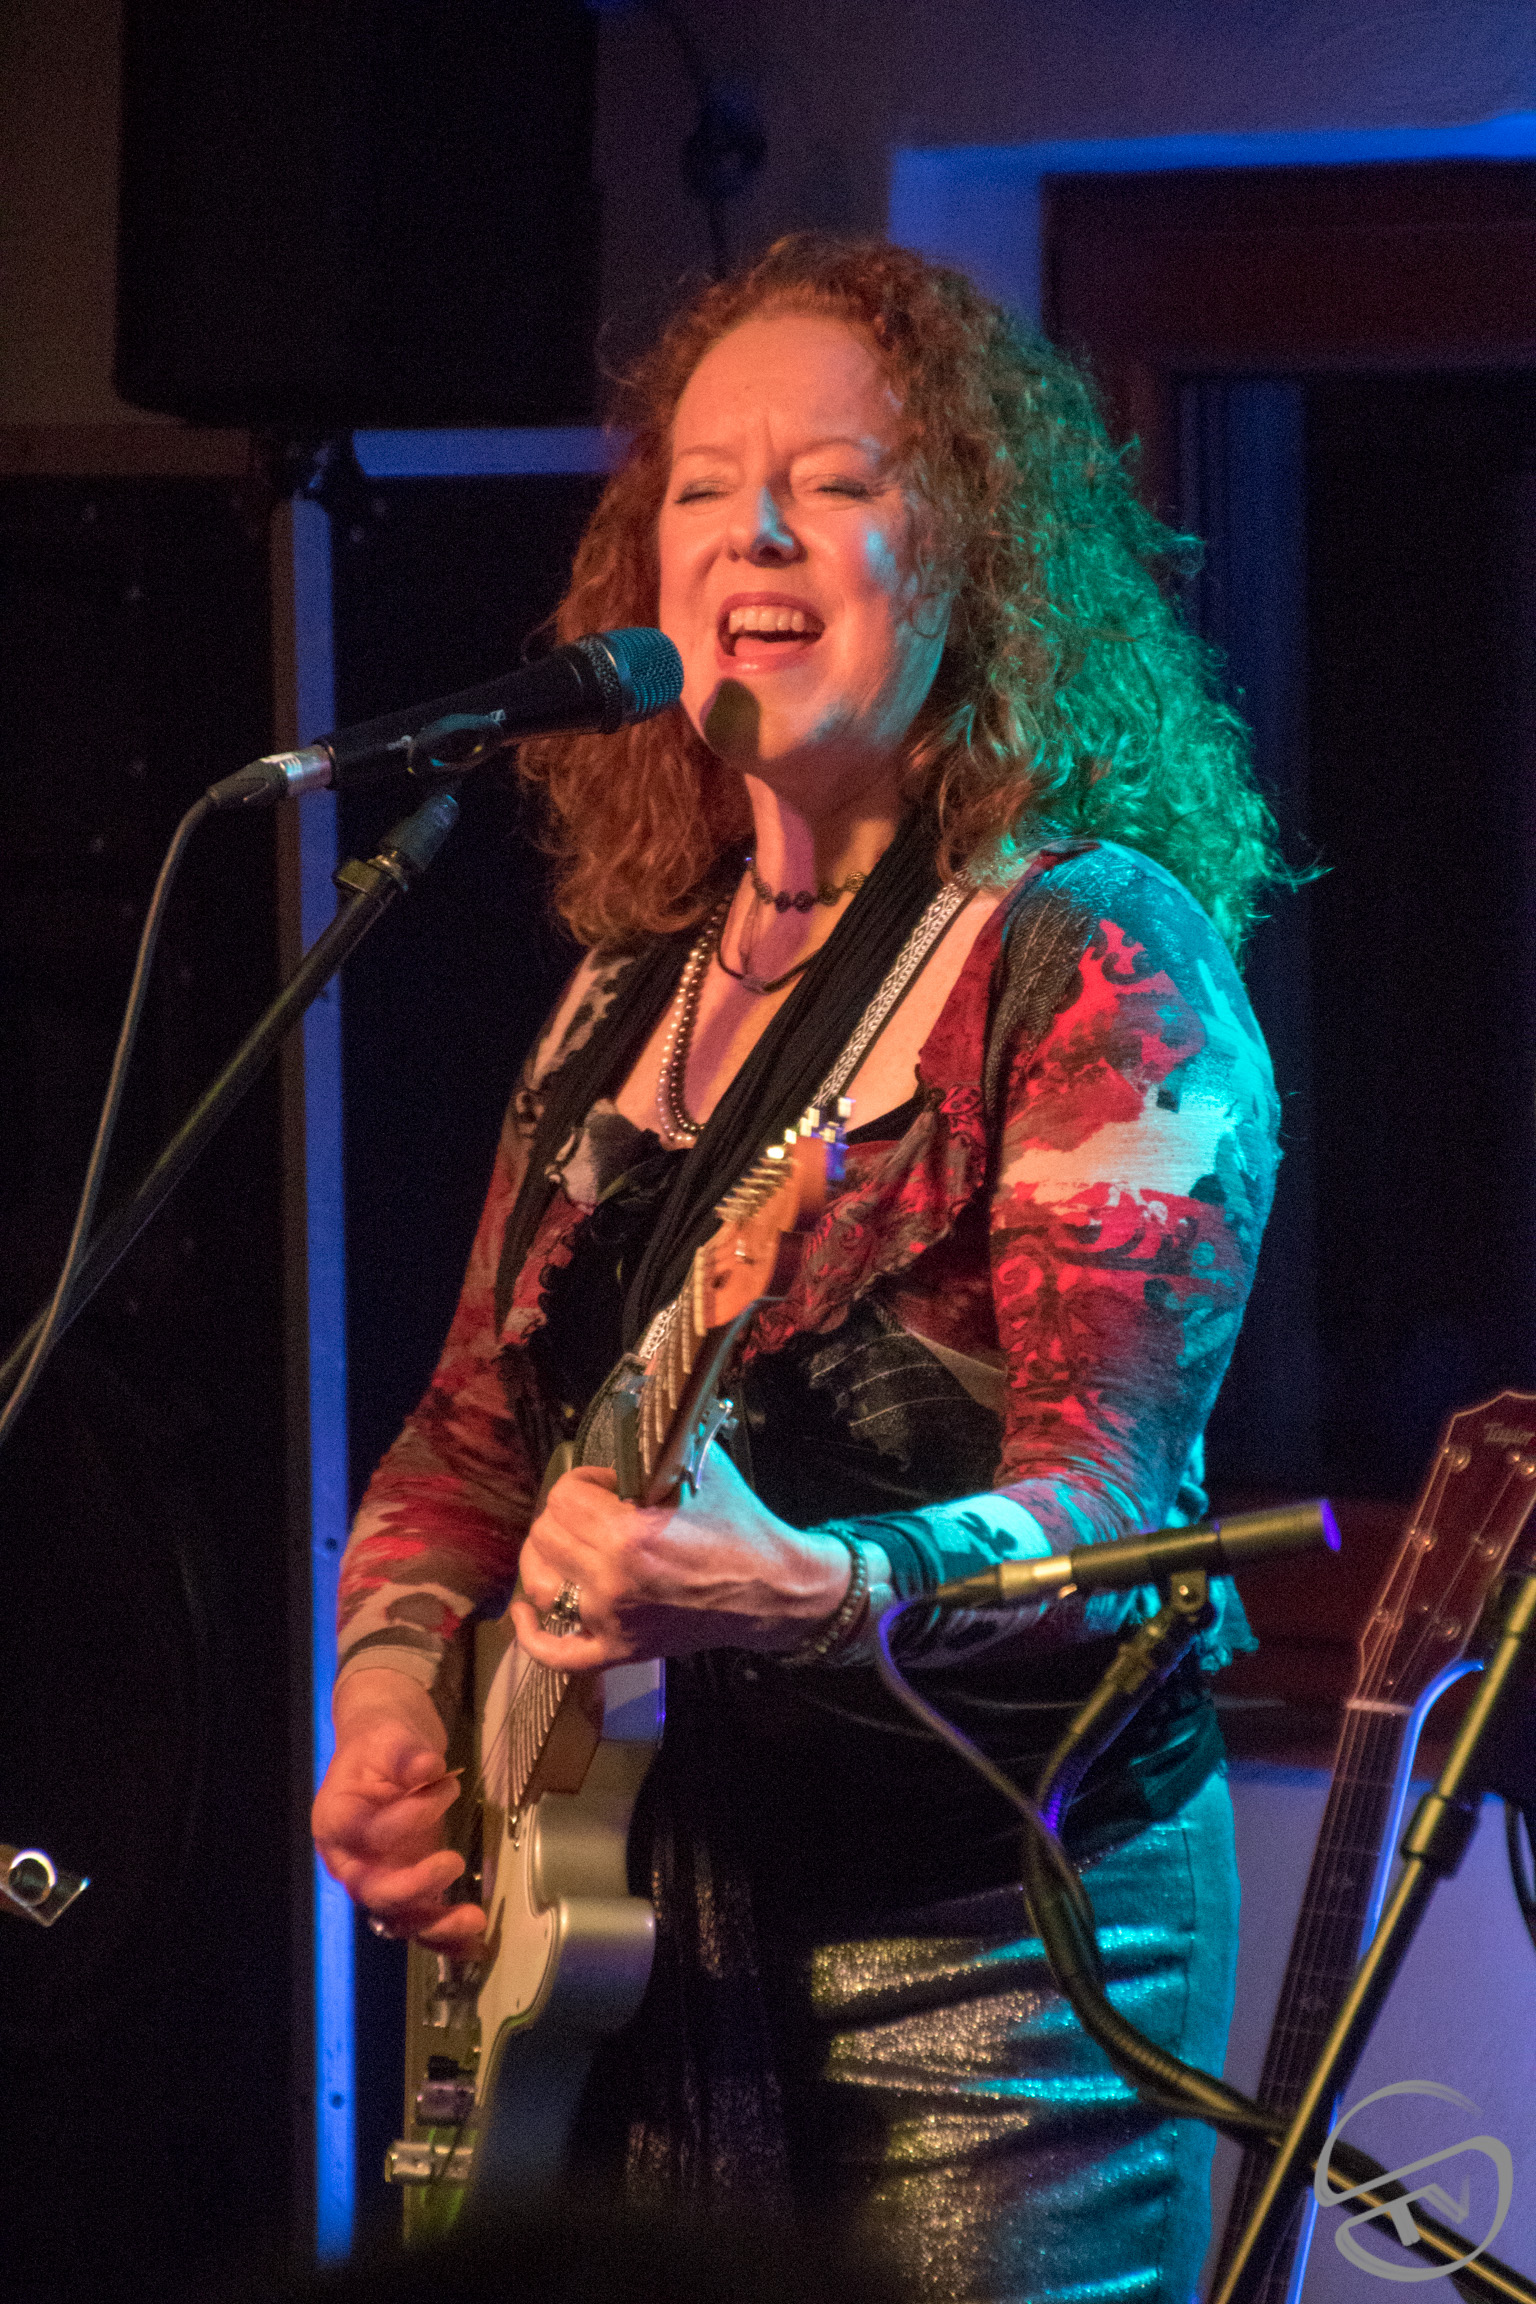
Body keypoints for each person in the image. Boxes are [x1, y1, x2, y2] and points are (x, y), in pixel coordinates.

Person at [312, 235, 1282, 2302]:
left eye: (836, 483)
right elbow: (469, 1437)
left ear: (973, 562)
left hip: (987, 1959)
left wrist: (805, 1586)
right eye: (702, 486)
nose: (754, 530)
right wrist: (389, 1694)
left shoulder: (1087, 952)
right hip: (642, 1933)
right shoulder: (622, 999)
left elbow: (1121, 1521)